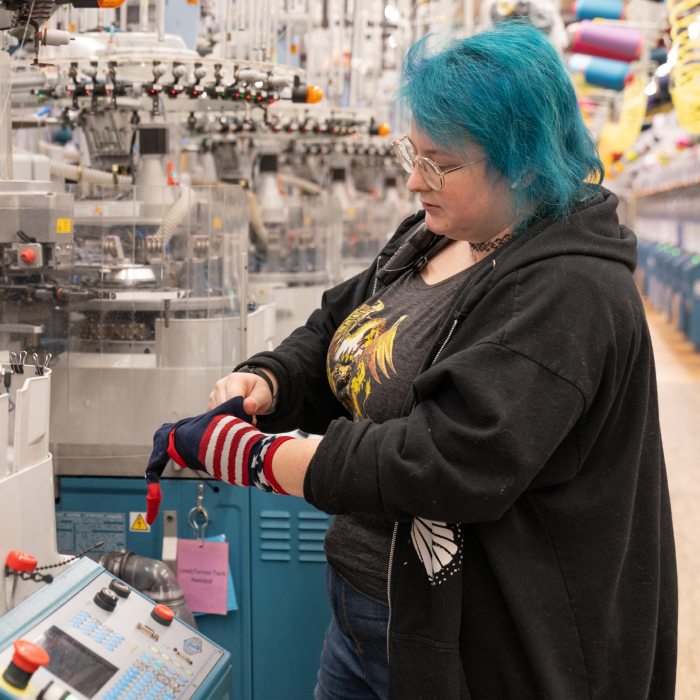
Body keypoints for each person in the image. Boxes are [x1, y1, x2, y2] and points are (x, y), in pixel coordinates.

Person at [153, 20, 677, 700]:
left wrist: (256, 458)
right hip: (365, 614)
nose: (413, 179)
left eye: (440, 164)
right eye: (414, 153)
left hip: (480, 646)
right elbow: (340, 329)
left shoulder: (569, 291)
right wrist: (271, 381)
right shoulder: (430, 237)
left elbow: (447, 460)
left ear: (522, 160)